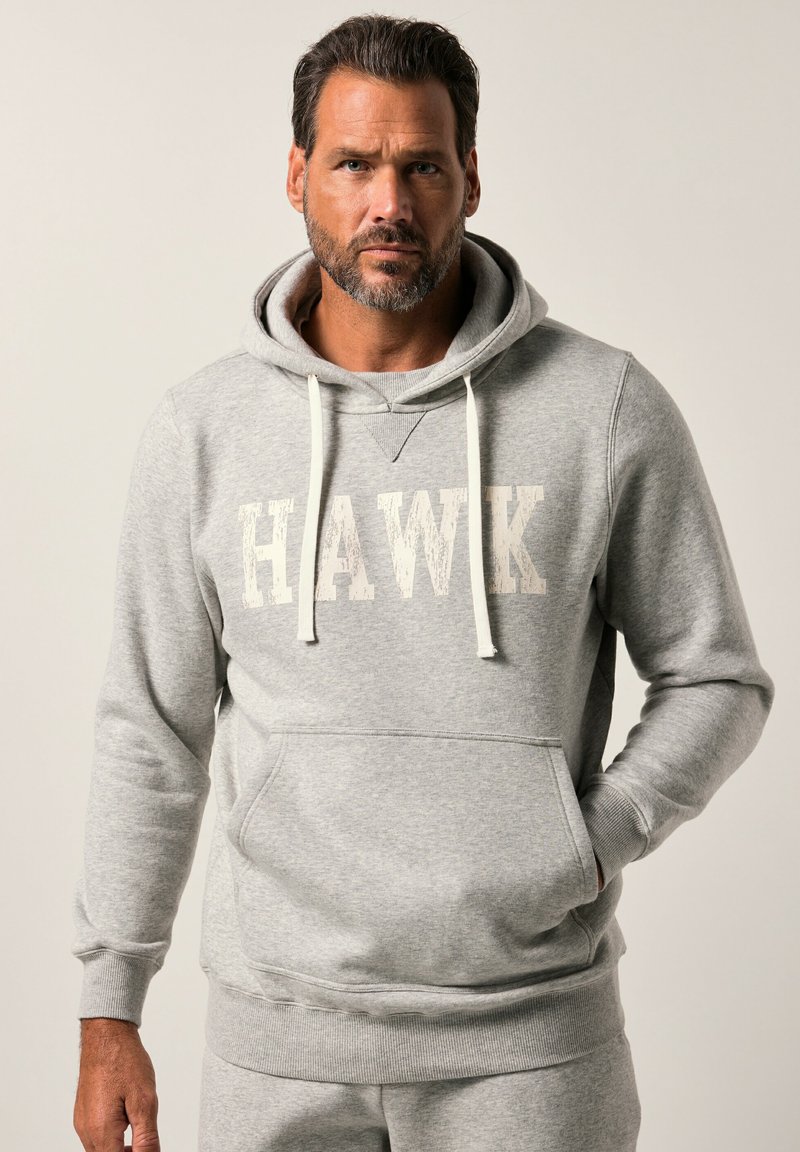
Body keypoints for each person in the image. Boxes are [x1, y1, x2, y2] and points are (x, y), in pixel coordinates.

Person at [71, 13, 775, 1152]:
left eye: (422, 167)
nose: (387, 202)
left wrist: (590, 840)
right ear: (297, 175)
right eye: (353, 164)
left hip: (532, 1048)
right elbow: (148, 731)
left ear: (470, 180)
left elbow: (717, 679)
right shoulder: (202, 431)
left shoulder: (599, 409)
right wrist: (111, 1005)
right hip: (276, 1048)